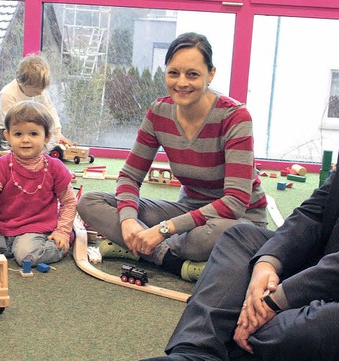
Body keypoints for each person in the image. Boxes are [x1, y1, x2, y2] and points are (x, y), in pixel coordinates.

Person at [149, 17, 339, 361]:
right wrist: (269, 262)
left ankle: (227, 343)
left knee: (303, 328)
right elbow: (319, 207)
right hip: (334, 264)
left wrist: (277, 298)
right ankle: (192, 354)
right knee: (242, 239)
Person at [76, 32, 267, 282]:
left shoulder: (235, 117)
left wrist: (164, 230)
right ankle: (170, 259)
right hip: (188, 208)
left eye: (193, 74)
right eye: (173, 72)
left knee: (217, 235)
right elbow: (129, 177)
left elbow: (235, 201)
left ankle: (142, 249)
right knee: (89, 202)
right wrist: (128, 221)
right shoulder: (159, 112)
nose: (181, 82)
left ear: (211, 74)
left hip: (236, 218)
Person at [0, 100, 76, 267]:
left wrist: (63, 231)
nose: (25, 140)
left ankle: (58, 244)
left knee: (25, 256)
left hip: (35, 228)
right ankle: (10, 246)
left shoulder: (54, 167)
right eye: (18, 134)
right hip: (1, 228)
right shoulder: (1, 165)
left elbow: (69, 201)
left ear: (47, 136)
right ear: (8, 136)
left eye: (33, 134)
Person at [0, 53, 72, 151]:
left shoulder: (40, 91)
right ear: (22, 83)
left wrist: (57, 133)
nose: (39, 94)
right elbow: (10, 123)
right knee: (15, 147)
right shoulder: (8, 94)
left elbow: (50, 110)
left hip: (25, 126)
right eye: (35, 91)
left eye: (42, 90)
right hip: (0, 127)